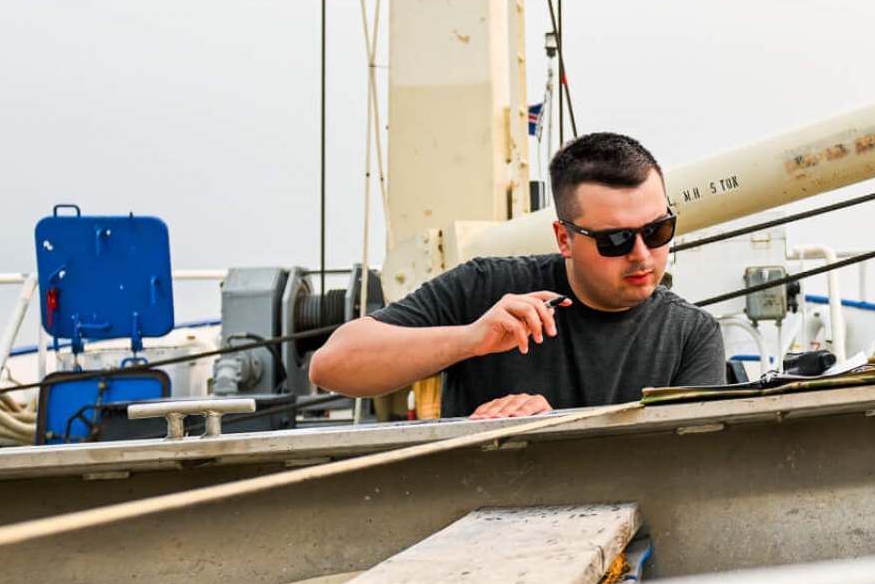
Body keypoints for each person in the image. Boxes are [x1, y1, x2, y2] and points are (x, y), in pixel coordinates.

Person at [310, 132, 726, 417]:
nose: (642, 254)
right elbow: (331, 366)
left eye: (658, 231)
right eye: (615, 240)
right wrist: (470, 339)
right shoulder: (484, 289)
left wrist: (552, 430)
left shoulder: (691, 336)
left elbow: (683, 468)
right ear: (564, 239)